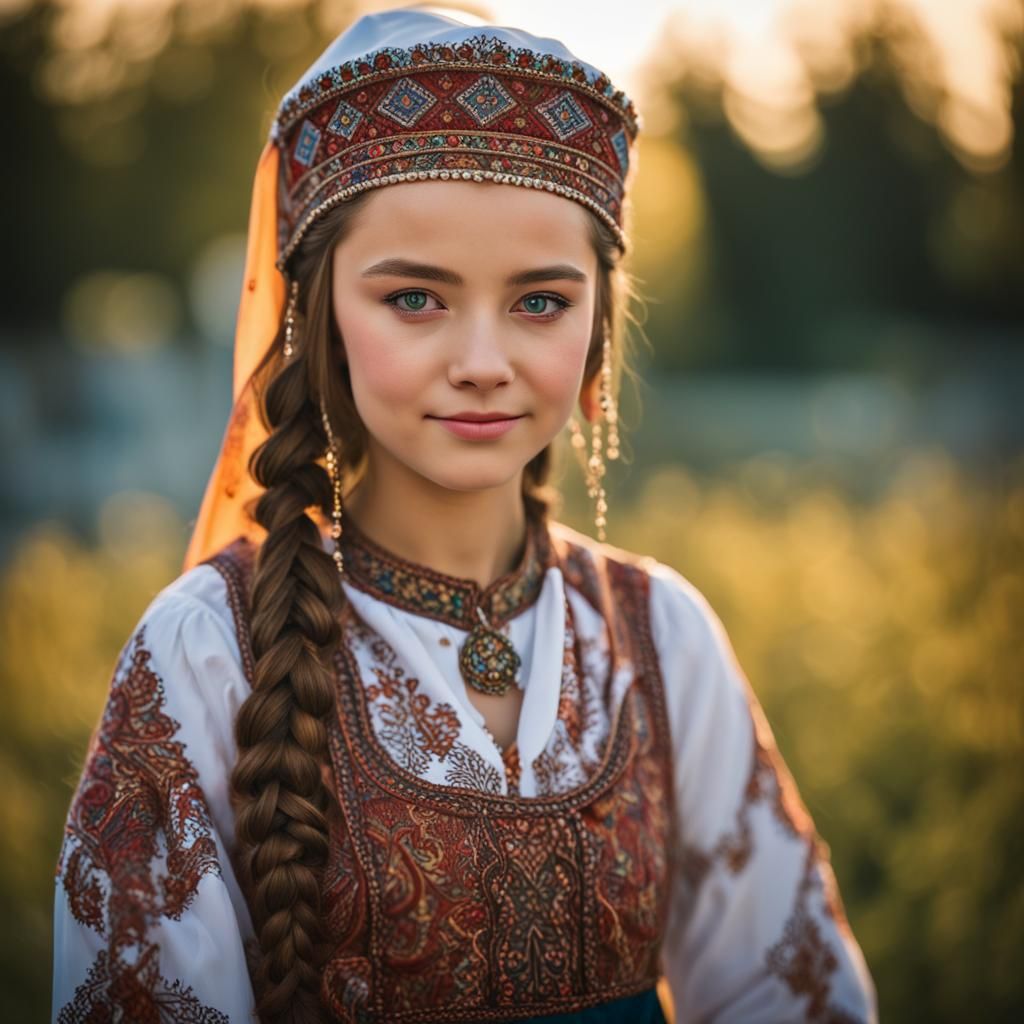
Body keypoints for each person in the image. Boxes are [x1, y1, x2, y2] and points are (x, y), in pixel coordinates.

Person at [50, 7, 878, 1023]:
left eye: (539, 302)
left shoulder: (660, 639)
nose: (483, 361)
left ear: (599, 326)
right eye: (414, 298)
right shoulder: (204, 652)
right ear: (319, 320)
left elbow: (788, 992)